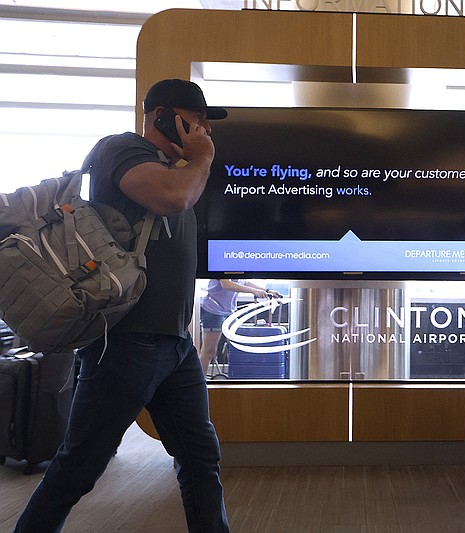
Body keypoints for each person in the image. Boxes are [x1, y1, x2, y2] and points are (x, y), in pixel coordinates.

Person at [14, 79, 231, 532]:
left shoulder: (179, 169)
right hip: (124, 343)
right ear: (162, 116)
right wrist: (203, 158)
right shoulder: (122, 150)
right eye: (196, 121)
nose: (204, 131)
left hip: (174, 345)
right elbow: (172, 197)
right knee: (79, 468)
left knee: (200, 459)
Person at [199, 279, 282, 375]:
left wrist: (267, 291)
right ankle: (199, 384)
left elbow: (243, 282)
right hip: (214, 310)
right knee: (209, 351)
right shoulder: (221, 265)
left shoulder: (236, 267)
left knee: (240, 344)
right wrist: (253, 291)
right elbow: (226, 284)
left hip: (229, 310)